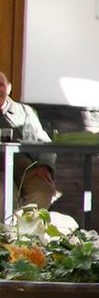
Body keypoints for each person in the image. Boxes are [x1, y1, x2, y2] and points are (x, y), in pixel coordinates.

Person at [0, 70, 53, 210]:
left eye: (1, 85)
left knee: (44, 191)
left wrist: (44, 165)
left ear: (9, 88)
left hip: (25, 165)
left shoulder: (24, 112)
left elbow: (45, 142)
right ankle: (6, 231)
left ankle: (26, 230)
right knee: (3, 195)